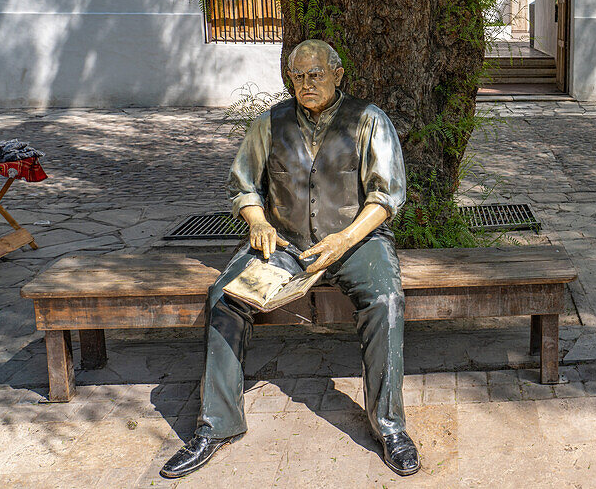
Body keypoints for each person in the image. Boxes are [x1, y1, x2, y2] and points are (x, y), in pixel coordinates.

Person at [160, 39, 419, 479]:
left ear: (338, 74)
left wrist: (345, 239)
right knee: (225, 297)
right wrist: (258, 222)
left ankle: (389, 425)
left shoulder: (368, 120)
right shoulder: (269, 124)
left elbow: (387, 194)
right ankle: (216, 425)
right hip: (285, 243)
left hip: (356, 239)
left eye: (315, 74)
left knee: (386, 302)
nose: (306, 83)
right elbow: (243, 186)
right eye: (297, 76)